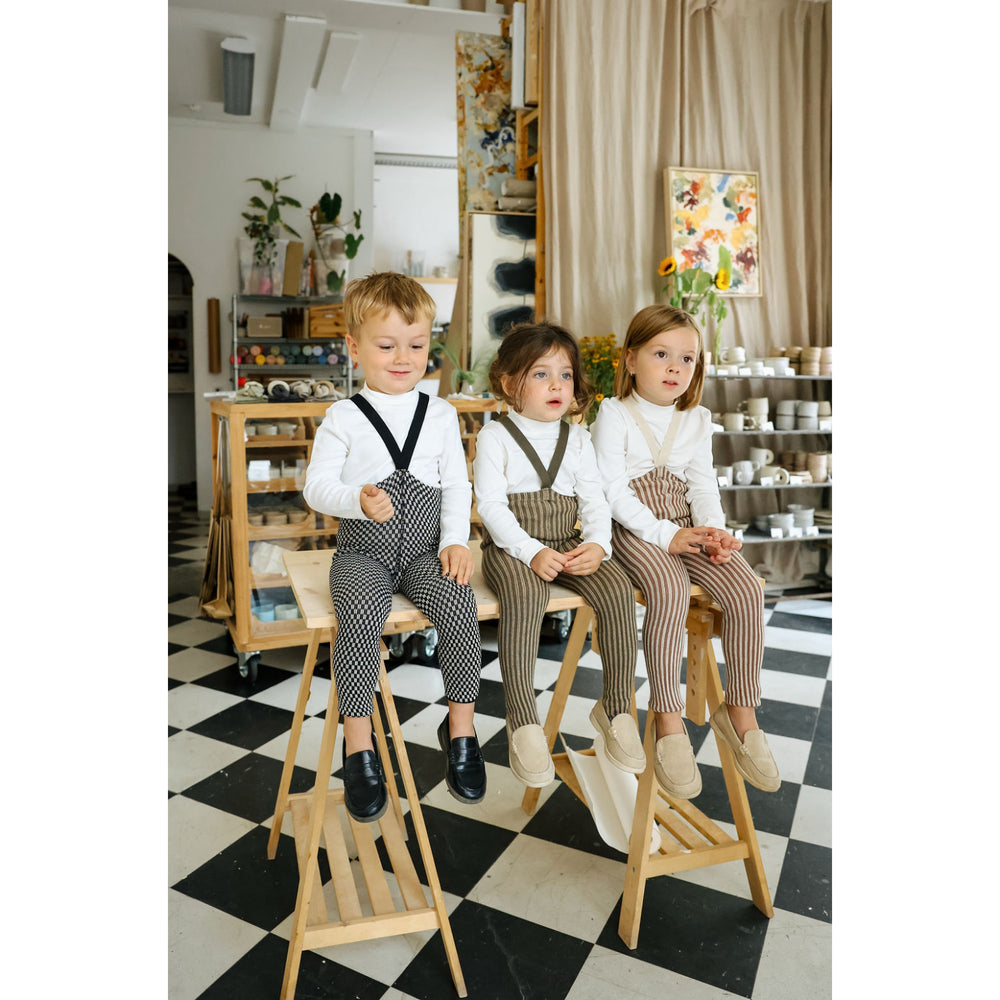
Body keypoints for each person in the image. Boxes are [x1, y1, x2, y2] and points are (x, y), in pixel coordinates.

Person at [303, 272, 486, 823]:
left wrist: (454, 541)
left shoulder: (441, 414)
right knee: (359, 612)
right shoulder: (343, 417)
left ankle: (461, 728)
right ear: (355, 347)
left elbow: (456, 485)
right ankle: (358, 742)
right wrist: (356, 499)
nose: (403, 358)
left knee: (459, 603)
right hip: (363, 553)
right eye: (386, 346)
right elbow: (315, 487)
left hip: (426, 553)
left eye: (416, 345)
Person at [590, 304, 780, 798]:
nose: (675, 367)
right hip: (632, 528)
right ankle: (666, 717)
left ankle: (740, 712)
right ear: (631, 360)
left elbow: (701, 486)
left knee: (746, 588)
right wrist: (663, 535)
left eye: (687, 359)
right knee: (670, 588)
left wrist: (713, 532)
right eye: (661, 355)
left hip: (684, 524)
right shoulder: (613, 414)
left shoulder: (697, 419)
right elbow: (611, 490)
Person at [473, 322, 645, 788]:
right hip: (512, 547)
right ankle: (523, 720)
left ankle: (616, 708)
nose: (556, 386)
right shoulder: (496, 436)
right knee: (526, 599)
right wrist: (531, 552)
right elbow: (490, 507)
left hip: (568, 541)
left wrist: (597, 545)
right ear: (510, 383)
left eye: (565, 375)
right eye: (541, 374)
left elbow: (594, 501)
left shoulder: (578, 439)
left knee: (616, 588)